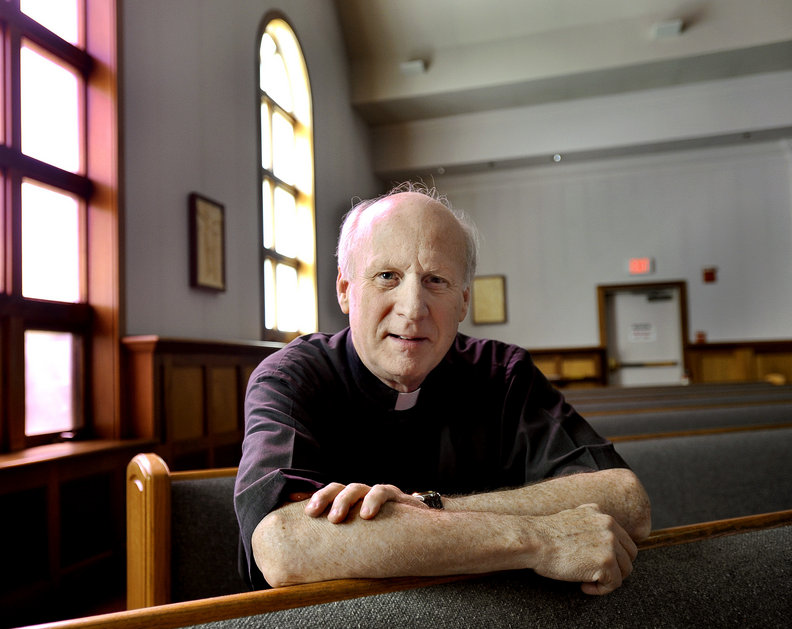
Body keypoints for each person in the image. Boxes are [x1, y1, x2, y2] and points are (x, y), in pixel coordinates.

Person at [234, 182, 651, 596]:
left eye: (435, 280)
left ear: (464, 301)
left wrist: (428, 508)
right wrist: (536, 537)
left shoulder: (502, 374)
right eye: (387, 276)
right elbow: (284, 544)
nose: (412, 308)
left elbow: (626, 499)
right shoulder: (291, 378)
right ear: (346, 290)